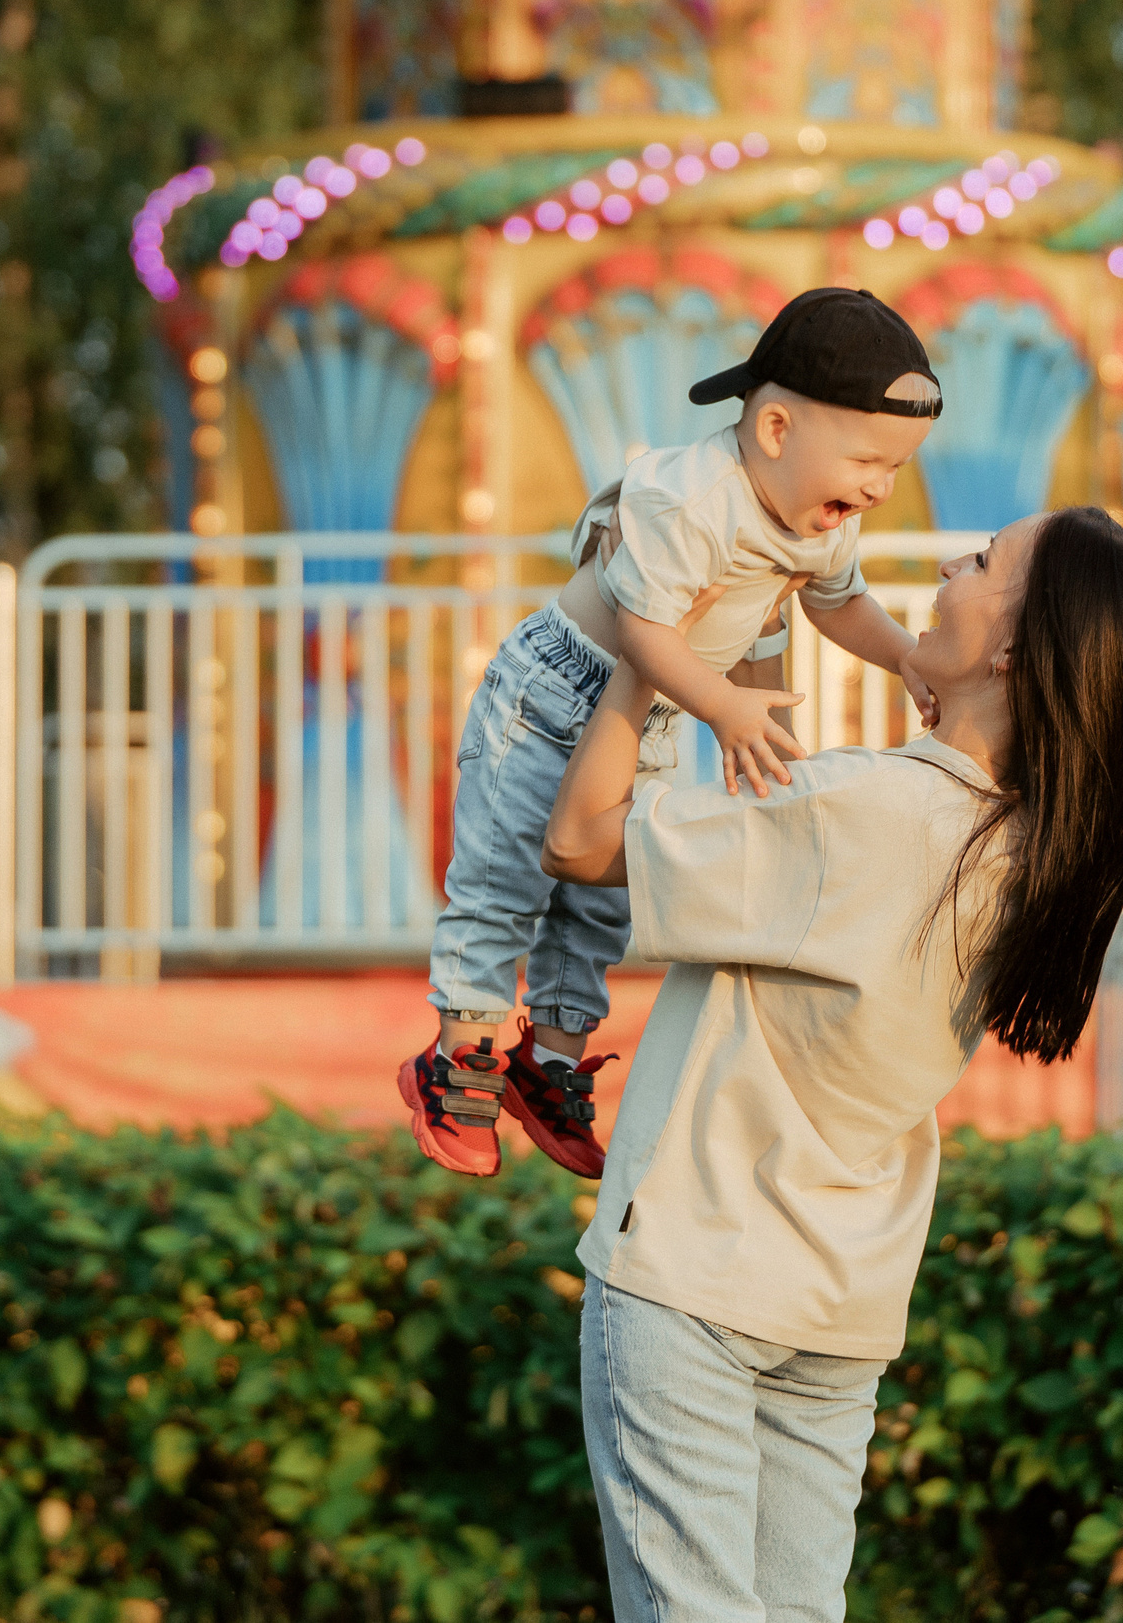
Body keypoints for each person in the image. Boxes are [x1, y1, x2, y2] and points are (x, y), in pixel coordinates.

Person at [537, 507, 1123, 1623]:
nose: (947, 563)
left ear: (1013, 648)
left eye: (983, 561)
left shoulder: (869, 812)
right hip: (837, 1311)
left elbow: (581, 836)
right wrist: (764, 625)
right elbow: (781, 829)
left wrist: (650, 641)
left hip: (696, 1279)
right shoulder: (1027, 855)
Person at [399, 289, 943, 1181]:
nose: (880, 486)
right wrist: (725, 706)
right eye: (867, 460)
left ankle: (551, 1063)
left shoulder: (821, 521)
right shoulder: (692, 498)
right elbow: (645, 632)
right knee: (505, 880)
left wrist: (906, 657)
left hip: (644, 717)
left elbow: (840, 603)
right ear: (776, 429)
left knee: (600, 904)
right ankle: (459, 1058)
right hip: (552, 692)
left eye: (897, 466)